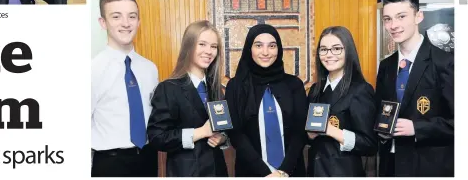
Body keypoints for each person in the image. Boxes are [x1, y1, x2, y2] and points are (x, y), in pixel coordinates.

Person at [375, 0, 454, 177]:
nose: (393, 25)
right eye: (388, 19)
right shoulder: (386, 65)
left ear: (418, 16)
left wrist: (416, 128)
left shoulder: (445, 62)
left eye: (401, 16)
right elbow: (381, 110)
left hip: (428, 165)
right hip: (390, 165)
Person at [91, 0, 159, 177]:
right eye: (116, 17)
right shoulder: (92, 70)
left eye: (132, 16)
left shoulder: (150, 68)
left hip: (148, 159)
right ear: (103, 23)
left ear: (139, 21)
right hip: (110, 164)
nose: (126, 23)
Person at [147, 20, 229, 177]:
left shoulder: (217, 89)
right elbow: (157, 137)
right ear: (189, 46)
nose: (209, 51)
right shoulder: (168, 88)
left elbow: (223, 128)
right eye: (202, 44)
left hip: (218, 171)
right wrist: (200, 132)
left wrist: (222, 138)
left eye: (213, 46)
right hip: (186, 172)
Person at [225, 24, 308, 177]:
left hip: (291, 172)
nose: (265, 52)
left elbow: (300, 132)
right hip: (252, 172)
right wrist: (267, 173)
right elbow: (236, 134)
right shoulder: (235, 86)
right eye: (258, 45)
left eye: (272, 46)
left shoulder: (294, 84)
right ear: (249, 49)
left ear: (279, 49)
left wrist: (283, 171)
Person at [306, 26, 377, 176]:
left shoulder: (361, 90)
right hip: (315, 171)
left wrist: (333, 131)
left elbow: (370, 144)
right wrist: (309, 135)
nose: (329, 55)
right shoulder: (315, 90)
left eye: (336, 48)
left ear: (348, 51)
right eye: (323, 49)